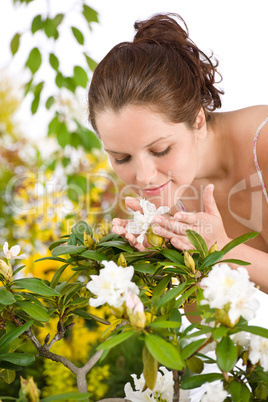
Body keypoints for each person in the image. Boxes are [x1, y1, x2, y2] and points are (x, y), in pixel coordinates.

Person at [88, 13, 268, 294]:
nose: (144, 177)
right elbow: (202, 328)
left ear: (197, 121)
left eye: (160, 150)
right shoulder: (169, 195)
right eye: (121, 158)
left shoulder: (264, 144)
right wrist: (165, 261)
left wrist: (220, 249)